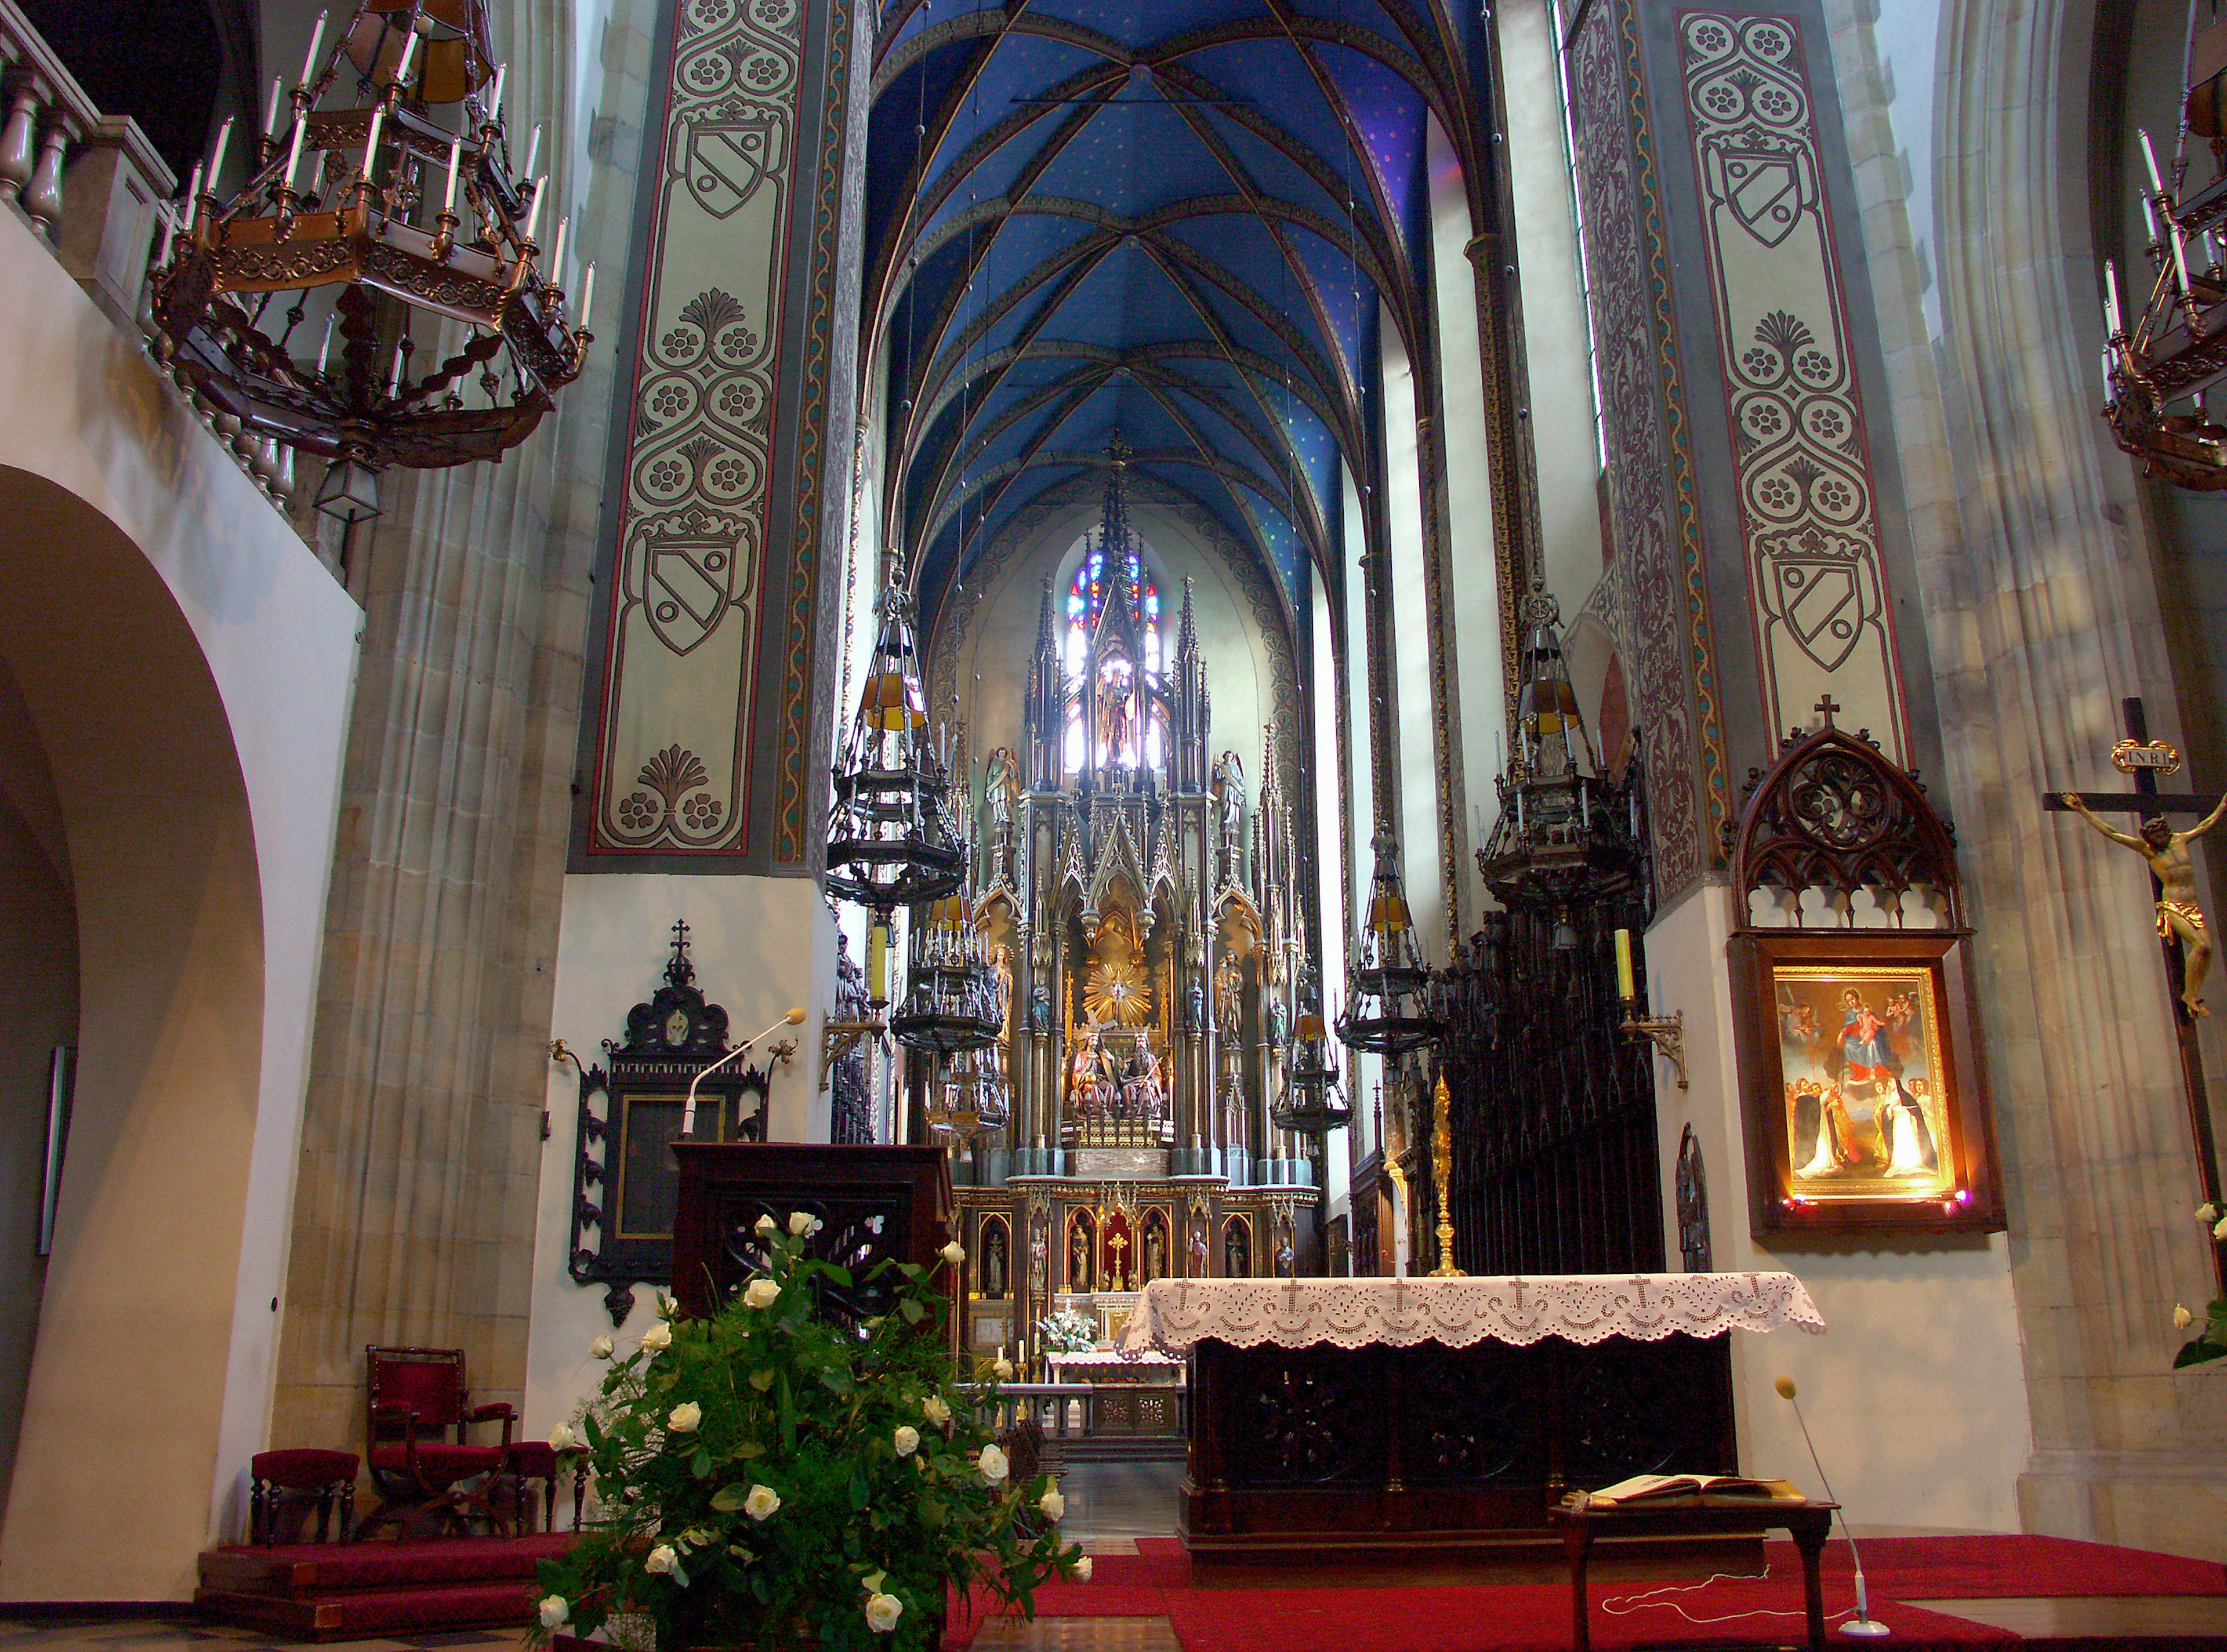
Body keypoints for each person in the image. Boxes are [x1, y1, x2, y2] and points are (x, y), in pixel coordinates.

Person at [2061, 791, 2227, 1016]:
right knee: (2201, 945)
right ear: (2150, 838)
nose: (2162, 838)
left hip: (2193, 907)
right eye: (2157, 836)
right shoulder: (2148, 851)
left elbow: (2206, 824)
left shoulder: (2180, 839)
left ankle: (2192, 994)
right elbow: (2113, 833)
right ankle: (2188, 995)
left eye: (2163, 833)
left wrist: (2222, 806)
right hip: (2174, 906)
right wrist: (2082, 810)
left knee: (2208, 949)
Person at [1837, 989, 1894, 1086]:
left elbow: (1877, 1024)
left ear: (1857, 998)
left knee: (1873, 1044)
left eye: (1853, 999)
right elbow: (1848, 1026)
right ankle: (1860, 1073)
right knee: (1848, 1047)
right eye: (1849, 1001)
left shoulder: (1867, 1010)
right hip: (1858, 1037)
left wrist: (1876, 1028)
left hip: (1872, 1035)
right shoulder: (1850, 1014)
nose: (1851, 1002)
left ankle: (1875, 1070)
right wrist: (1842, 1033)